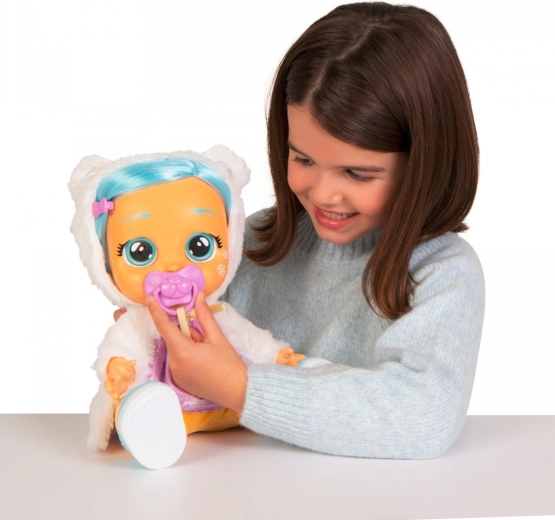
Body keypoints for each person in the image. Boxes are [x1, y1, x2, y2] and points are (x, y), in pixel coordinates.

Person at [143, 1, 486, 459]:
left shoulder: (442, 274)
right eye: (302, 159)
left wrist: (237, 386)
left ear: (423, 166)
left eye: (358, 174)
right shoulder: (248, 245)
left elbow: (423, 417)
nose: (323, 194)